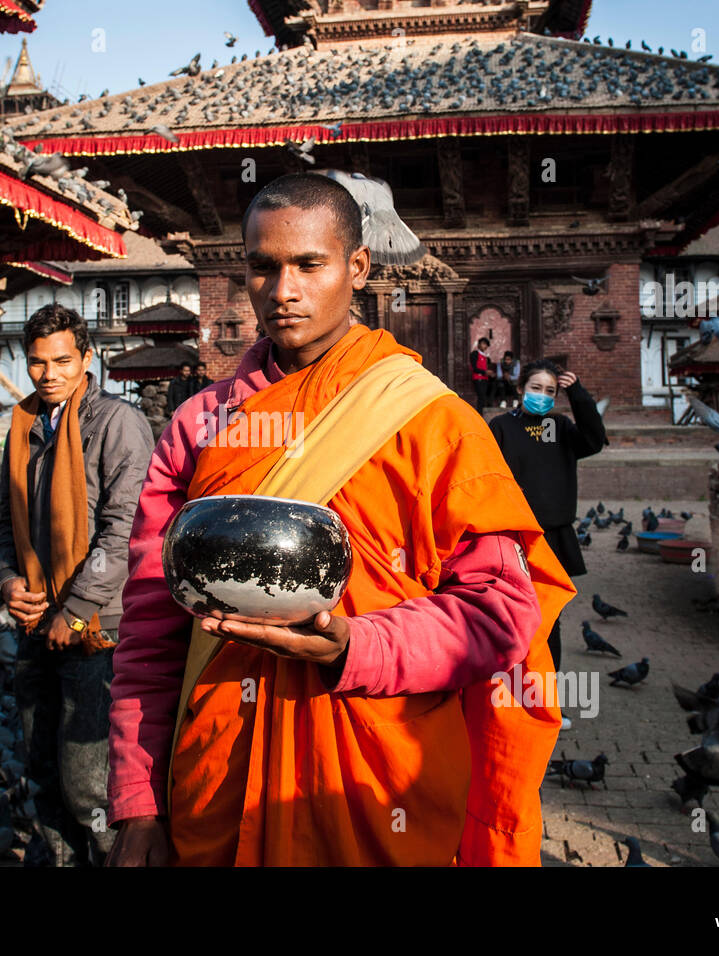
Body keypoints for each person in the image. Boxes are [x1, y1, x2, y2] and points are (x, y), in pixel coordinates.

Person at [105, 172, 575, 867]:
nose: (283, 290)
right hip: (218, 775)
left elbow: (501, 612)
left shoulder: (434, 423)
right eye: (263, 267)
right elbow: (150, 627)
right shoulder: (200, 426)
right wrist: (138, 801)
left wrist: (355, 646)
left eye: (308, 265)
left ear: (357, 267)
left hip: (377, 770)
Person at [0, 303, 154, 867]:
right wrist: (7, 582)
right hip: (36, 623)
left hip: (98, 630)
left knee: (90, 783)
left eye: (62, 360)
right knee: (41, 772)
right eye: (37, 363)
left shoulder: (115, 423)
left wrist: (78, 608)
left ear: (87, 359)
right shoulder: (22, 428)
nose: (49, 374)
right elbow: (4, 532)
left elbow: (126, 527)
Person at [489, 359, 607, 684]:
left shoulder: (561, 427)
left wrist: (578, 395)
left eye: (549, 391)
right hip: (510, 538)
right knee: (509, 618)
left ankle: (546, 697)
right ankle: (506, 696)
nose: (542, 395)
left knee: (547, 620)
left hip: (552, 539)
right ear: (520, 389)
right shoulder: (501, 427)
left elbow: (594, 440)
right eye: (535, 388)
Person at [468, 337, 491, 411]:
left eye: (486, 345)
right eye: (483, 344)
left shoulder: (485, 357)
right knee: (481, 396)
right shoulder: (475, 354)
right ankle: (480, 413)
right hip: (478, 378)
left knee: (484, 396)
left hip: (485, 379)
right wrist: (485, 372)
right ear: (479, 344)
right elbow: (474, 368)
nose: (485, 346)